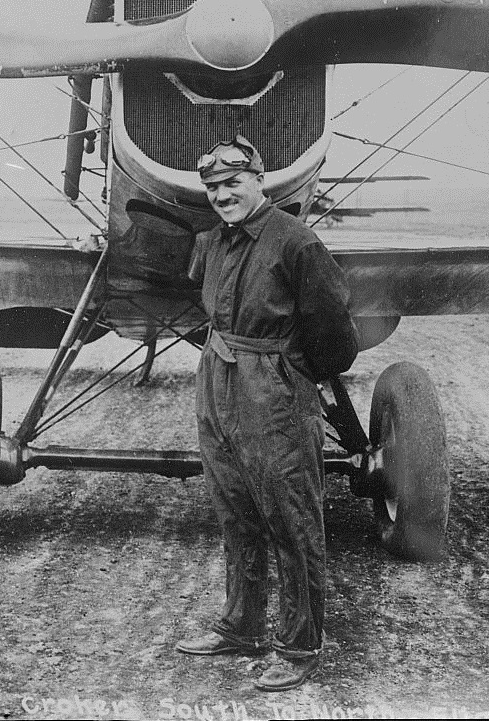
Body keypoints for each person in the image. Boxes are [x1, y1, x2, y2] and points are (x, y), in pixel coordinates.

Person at [176, 134, 359, 692]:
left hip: (273, 390)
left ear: (260, 179)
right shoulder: (211, 242)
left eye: (233, 183)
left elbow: (336, 340)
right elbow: (199, 306)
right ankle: (242, 624)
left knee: (291, 515)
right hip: (218, 378)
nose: (222, 195)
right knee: (234, 506)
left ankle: (300, 644)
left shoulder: (296, 243)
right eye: (212, 186)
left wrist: (285, 374)